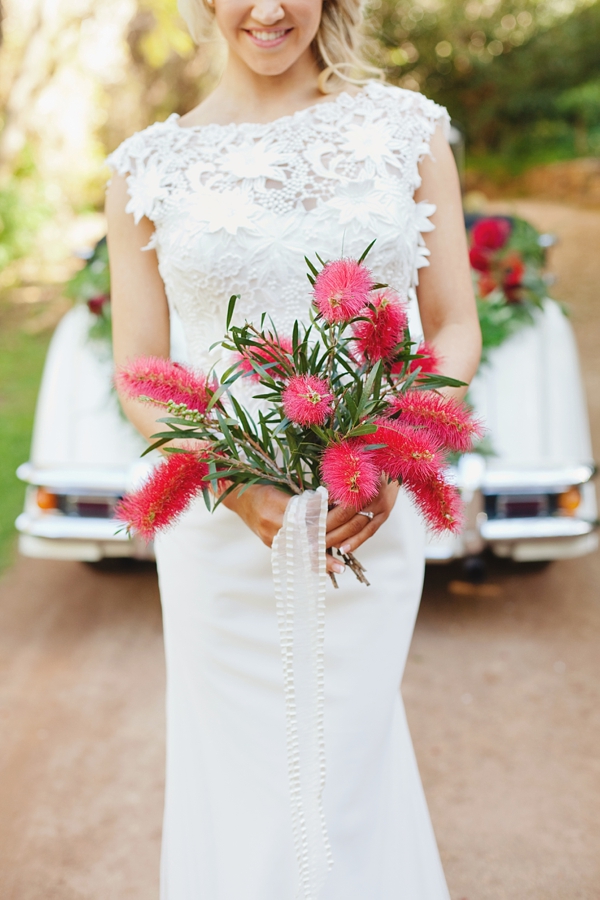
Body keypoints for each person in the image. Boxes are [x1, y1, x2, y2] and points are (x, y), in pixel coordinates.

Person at [106, 0, 481, 894]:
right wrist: (237, 485)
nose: (268, 9)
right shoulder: (144, 170)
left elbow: (454, 325)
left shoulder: (408, 132)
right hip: (217, 526)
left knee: (345, 773)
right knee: (243, 787)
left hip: (367, 510)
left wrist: (390, 450)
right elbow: (138, 372)